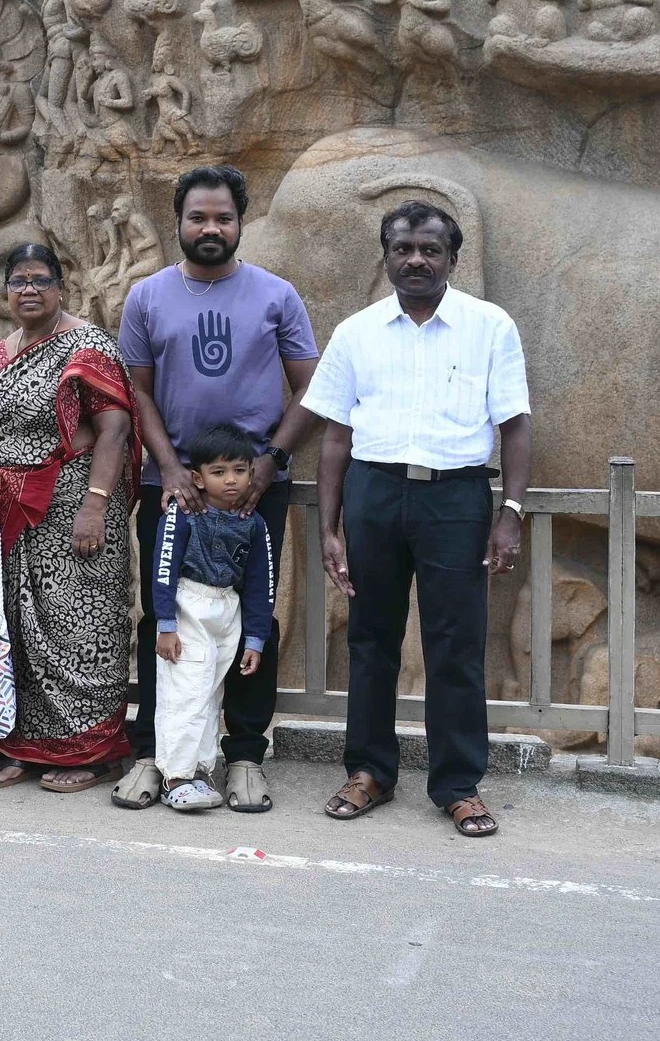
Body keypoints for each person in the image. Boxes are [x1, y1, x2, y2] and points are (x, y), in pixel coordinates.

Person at [306, 201, 530, 838]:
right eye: (403, 248)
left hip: (455, 499)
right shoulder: (357, 332)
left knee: (455, 643)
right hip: (374, 493)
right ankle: (370, 771)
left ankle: (457, 785)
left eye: (430, 249)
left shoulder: (489, 326)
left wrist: (508, 512)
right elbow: (333, 436)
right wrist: (331, 525)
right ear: (386, 257)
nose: (416, 260)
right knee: (370, 638)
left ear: (452, 259)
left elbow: (514, 426)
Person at [113, 164, 320, 814]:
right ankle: (155, 753)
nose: (210, 228)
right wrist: (170, 467)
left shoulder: (276, 295)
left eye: (223, 217)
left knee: (253, 614)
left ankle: (245, 756)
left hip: (255, 490)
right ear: (177, 219)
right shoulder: (146, 297)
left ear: (240, 222)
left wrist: (270, 460)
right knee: (163, 616)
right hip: (171, 488)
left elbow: (312, 386)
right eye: (198, 216)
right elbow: (137, 390)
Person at [0, 242, 141, 792]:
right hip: (17, 506)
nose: (28, 289)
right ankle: (25, 743)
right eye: (18, 280)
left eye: (40, 280)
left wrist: (95, 504)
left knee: (79, 625)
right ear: (4, 291)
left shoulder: (88, 346)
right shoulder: (1, 353)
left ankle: (88, 749)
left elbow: (114, 429)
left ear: (61, 287)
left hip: (76, 505)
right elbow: (3, 434)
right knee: (24, 624)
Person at [149, 423, 276, 812]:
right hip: (189, 606)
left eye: (239, 470)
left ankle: (200, 771)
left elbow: (260, 583)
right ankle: (175, 777)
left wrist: (255, 639)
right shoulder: (184, 514)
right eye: (218, 472)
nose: (231, 480)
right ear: (197, 478)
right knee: (185, 690)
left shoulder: (253, 523)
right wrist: (166, 624)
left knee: (209, 694)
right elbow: (164, 568)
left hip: (227, 611)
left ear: (252, 473)